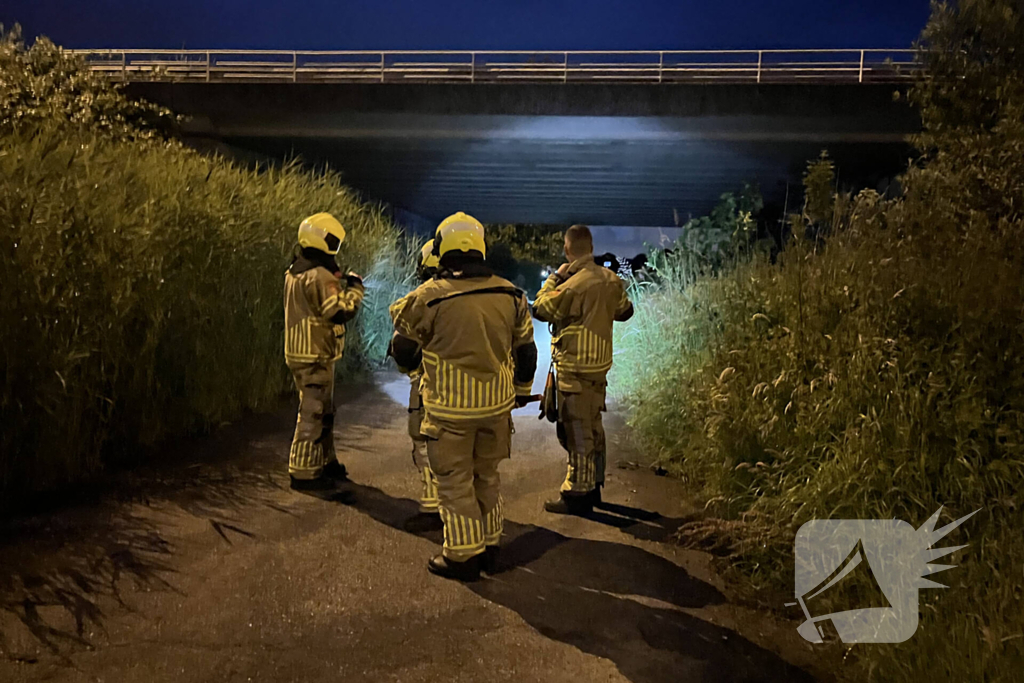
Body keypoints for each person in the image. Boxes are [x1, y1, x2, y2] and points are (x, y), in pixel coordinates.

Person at [389, 212, 537, 581]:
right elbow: (527, 352)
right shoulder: (512, 294)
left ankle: (461, 556)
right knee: (486, 475)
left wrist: (415, 370)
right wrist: (520, 391)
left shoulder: (428, 297)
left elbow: (404, 349)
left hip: (449, 410)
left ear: (442, 250)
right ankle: (489, 546)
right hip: (496, 407)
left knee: (454, 481)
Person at [532, 225, 634, 515]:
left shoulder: (572, 284)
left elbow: (540, 308)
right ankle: (595, 484)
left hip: (574, 369)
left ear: (567, 250)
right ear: (590, 247)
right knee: (593, 426)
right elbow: (625, 311)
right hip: (599, 369)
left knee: (576, 431)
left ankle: (578, 494)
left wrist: (555, 277)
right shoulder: (610, 279)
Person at [283, 213, 365, 491]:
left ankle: (324, 462)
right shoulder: (319, 275)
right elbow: (339, 311)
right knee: (314, 414)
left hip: (302, 351)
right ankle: (304, 473)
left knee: (323, 411)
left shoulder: (296, 270)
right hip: (315, 354)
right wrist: (355, 290)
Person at [405, 240, 441, 514]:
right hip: (475, 391)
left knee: (423, 439)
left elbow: (403, 348)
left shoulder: (421, 297)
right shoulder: (486, 292)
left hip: (428, 385)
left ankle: (433, 503)